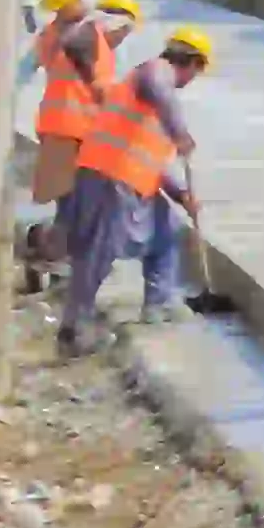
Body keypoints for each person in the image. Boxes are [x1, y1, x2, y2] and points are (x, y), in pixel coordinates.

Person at [55, 23, 218, 351]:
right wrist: (180, 133)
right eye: (196, 72)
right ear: (192, 63)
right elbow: (160, 87)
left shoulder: (155, 99)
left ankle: (158, 306)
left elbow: (149, 159)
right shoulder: (156, 73)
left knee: (167, 233)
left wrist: (179, 194)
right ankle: (75, 327)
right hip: (111, 177)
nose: (190, 82)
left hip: (127, 178)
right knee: (98, 253)